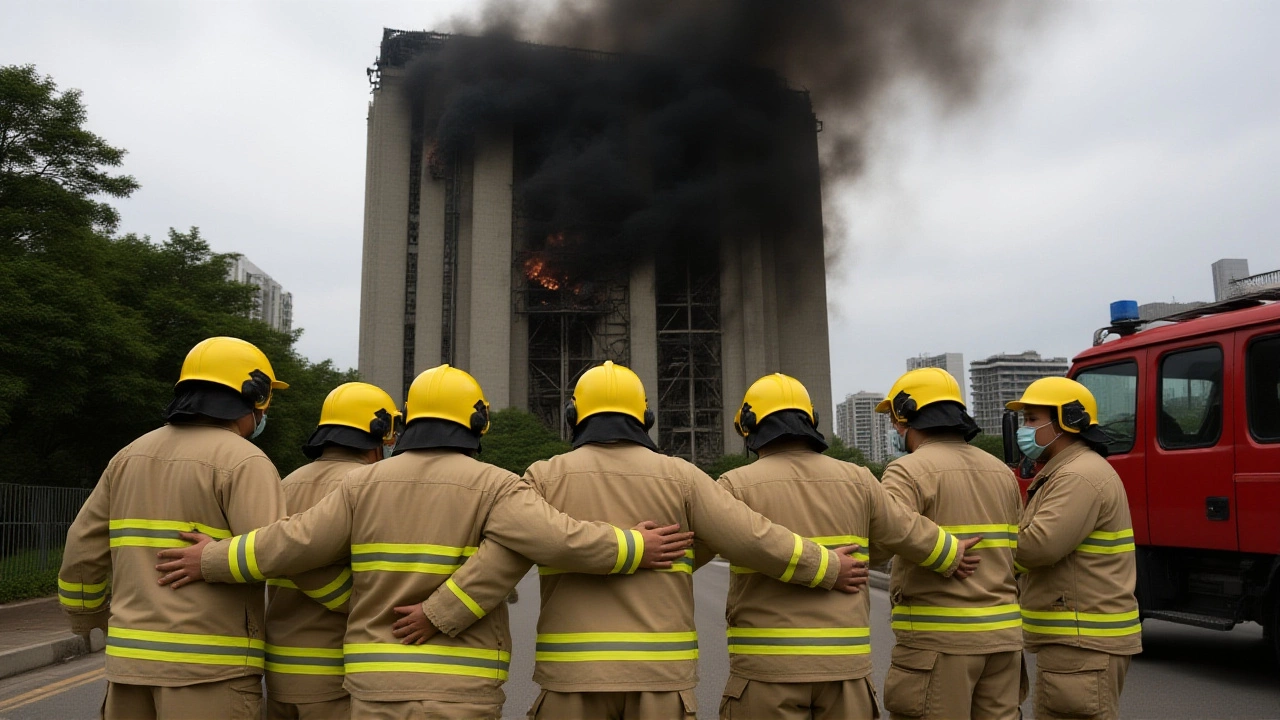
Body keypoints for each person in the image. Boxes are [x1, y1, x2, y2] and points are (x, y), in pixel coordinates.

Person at [152, 364, 693, 720]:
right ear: (478, 421)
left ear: (407, 422)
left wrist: (213, 559)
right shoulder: (497, 486)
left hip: (375, 687)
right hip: (461, 691)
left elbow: (292, 544)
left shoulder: (361, 484)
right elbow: (558, 538)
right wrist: (633, 546)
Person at [411, 361, 872, 720]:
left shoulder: (544, 477)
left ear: (574, 415)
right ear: (645, 416)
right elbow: (752, 537)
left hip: (573, 681)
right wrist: (828, 567)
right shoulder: (681, 477)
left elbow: (502, 560)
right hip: (660, 683)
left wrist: (439, 614)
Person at [716, 373, 983, 720]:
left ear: (749, 425)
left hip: (768, 672)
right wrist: (949, 552)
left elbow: (697, 546)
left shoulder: (734, 486)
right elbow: (903, 529)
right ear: (810, 421)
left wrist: (638, 552)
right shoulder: (858, 478)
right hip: (847, 671)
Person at [58, 336, 289, 720]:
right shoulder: (246, 461)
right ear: (255, 399)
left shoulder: (128, 456)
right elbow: (274, 553)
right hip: (211, 671)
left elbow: (82, 547)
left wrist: (88, 616)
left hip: (129, 667)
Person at [873, 368, 1024, 720]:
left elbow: (881, 542)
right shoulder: (1000, 471)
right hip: (1003, 639)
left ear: (908, 415)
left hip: (940, 644)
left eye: (896, 420)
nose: (896, 429)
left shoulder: (906, 471)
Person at [262, 381, 401, 720]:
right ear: (381, 432)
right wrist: (364, 605)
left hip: (279, 671)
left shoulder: (285, 483)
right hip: (336, 675)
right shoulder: (372, 487)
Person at [1008, 377, 1141, 720]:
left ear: (1067, 420)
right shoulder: (1067, 470)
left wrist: (987, 547)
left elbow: (1038, 547)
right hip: (1080, 639)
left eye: (1032, 420)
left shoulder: (1078, 476)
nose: (1025, 429)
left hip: (1083, 641)